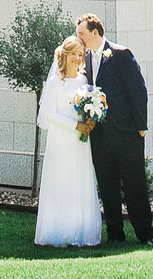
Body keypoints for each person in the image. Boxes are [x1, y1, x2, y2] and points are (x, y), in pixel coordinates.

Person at [77, 12, 153, 246]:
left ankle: (145, 233)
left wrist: (140, 127)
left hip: (127, 132)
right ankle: (114, 234)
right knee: (107, 184)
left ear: (95, 32)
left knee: (135, 184)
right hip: (100, 135)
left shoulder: (121, 54)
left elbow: (138, 92)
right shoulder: (86, 59)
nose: (78, 37)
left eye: (81, 33)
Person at [32, 36, 102, 247]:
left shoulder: (83, 81)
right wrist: (75, 126)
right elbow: (47, 115)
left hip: (80, 142)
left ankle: (80, 231)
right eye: (73, 54)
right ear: (64, 55)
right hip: (61, 139)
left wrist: (89, 121)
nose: (77, 58)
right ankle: (59, 232)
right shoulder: (55, 82)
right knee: (62, 181)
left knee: (78, 180)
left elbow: (85, 108)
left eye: (80, 55)